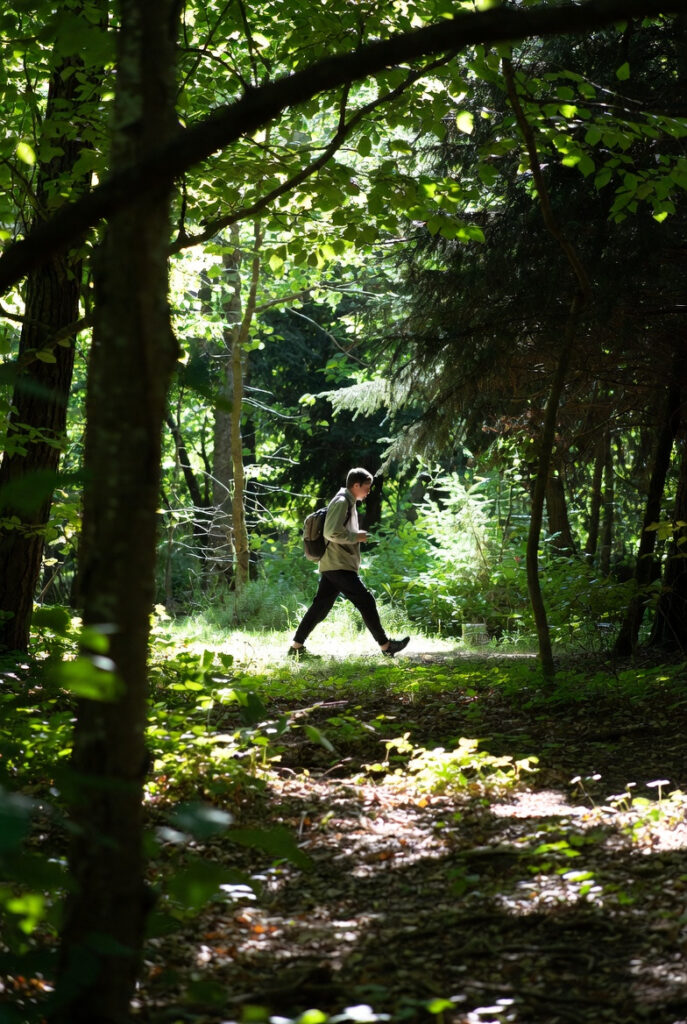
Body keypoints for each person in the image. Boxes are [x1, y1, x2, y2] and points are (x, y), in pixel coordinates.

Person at [288, 467, 410, 659]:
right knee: (366, 601)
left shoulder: (347, 501)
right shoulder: (343, 501)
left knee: (320, 608)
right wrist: (356, 537)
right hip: (338, 564)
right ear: (356, 485)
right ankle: (386, 646)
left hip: (336, 563)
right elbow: (330, 532)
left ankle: (296, 647)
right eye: (366, 487)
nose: (369, 491)